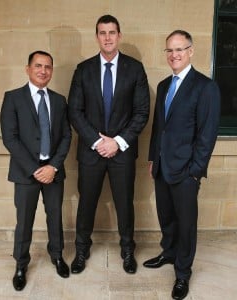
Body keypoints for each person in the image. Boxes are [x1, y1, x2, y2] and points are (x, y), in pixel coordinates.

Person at [68, 15, 150, 275]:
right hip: (91, 152)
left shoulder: (135, 69)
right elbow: (74, 111)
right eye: (102, 33)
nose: (107, 37)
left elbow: (142, 112)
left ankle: (127, 250)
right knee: (86, 203)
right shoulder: (83, 70)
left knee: (125, 204)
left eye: (112, 32)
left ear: (119, 36)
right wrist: (96, 141)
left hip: (122, 153)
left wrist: (117, 142)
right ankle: (82, 249)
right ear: (96, 37)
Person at [143, 30, 220, 300]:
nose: (174, 55)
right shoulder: (164, 85)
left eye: (179, 49)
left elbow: (207, 134)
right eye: (169, 50)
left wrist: (195, 172)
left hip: (186, 171)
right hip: (162, 167)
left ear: (190, 51)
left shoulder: (205, 87)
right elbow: (158, 128)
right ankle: (169, 252)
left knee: (186, 223)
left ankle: (183, 273)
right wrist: (153, 158)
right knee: (166, 216)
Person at [0, 50, 72, 291]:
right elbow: (10, 139)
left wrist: (53, 166)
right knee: (24, 221)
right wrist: (35, 169)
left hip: (54, 171)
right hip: (25, 173)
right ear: (28, 68)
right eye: (38, 66)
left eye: (48, 67)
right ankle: (21, 264)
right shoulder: (12, 98)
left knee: (55, 216)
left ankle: (57, 256)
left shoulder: (60, 100)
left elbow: (66, 136)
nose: (43, 71)